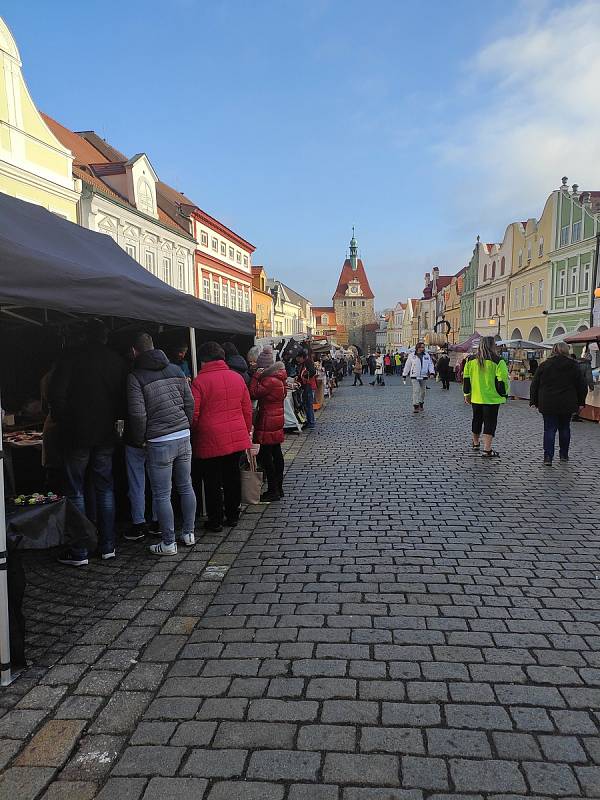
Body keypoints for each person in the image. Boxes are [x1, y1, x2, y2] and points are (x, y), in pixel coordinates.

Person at [50, 320, 127, 565]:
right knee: (104, 488)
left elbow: (56, 395)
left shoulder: (70, 357)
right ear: (105, 337)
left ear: (84, 336)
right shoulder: (116, 360)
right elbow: (123, 397)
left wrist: (63, 420)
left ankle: (80, 550)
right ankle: (107, 545)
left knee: (76, 490)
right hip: (105, 433)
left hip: (76, 433)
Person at [128, 333, 196, 555]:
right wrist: (186, 425)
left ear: (134, 351)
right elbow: (190, 402)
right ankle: (189, 533)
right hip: (182, 435)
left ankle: (168, 542)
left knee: (162, 494)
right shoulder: (177, 370)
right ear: (154, 347)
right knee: (186, 486)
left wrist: (141, 439)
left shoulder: (135, 377)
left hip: (158, 440)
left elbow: (138, 415)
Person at [192, 341, 252, 531]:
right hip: (235, 435)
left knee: (211, 480)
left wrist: (194, 431)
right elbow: (247, 409)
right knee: (232, 476)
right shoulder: (237, 378)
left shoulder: (199, 382)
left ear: (203, 360)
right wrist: (246, 429)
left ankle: (215, 520)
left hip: (209, 437)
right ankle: (233, 515)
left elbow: (194, 413)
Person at [530, 342, 588, 465]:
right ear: (566, 350)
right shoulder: (574, 365)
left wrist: (534, 400)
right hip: (567, 402)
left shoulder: (545, 365)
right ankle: (564, 455)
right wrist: (581, 401)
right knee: (564, 428)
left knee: (549, 430)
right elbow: (582, 385)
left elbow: (535, 384)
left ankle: (548, 457)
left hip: (548, 402)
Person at [462, 336, 509, 458]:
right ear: (493, 346)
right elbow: (502, 380)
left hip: (476, 397)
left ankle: (476, 443)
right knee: (490, 422)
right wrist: (504, 394)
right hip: (492, 398)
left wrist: (467, 394)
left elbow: (466, 379)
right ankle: (487, 449)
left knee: (476, 420)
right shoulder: (498, 361)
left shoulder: (470, 360)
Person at [250, 350, 287, 501]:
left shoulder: (269, 380)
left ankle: (273, 490)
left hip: (267, 420)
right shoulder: (280, 377)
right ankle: (279, 487)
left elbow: (253, 393)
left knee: (266, 456)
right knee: (276, 453)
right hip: (277, 419)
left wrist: (256, 376)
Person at [403, 342, 435, 411]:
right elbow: (407, 365)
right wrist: (404, 374)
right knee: (416, 390)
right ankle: (416, 406)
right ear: (418, 348)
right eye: (422, 347)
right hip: (414, 375)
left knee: (423, 392)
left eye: (424, 347)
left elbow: (430, 364)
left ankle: (421, 403)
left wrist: (432, 372)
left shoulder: (427, 355)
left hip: (424, 375)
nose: (423, 348)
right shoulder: (412, 355)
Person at [296, 350, 317, 428]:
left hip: (309, 385)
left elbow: (312, 372)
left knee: (308, 404)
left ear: (302, 357)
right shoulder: (304, 363)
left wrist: (305, 377)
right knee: (307, 404)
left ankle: (311, 422)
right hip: (306, 386)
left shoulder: (308, 362)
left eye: (298, 358)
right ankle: (310, 421)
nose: (297, 359)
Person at [572, 351, 594, 421]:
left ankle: (572, 414)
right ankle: (576, 415)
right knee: (581, 402)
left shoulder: (575, 363)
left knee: (574, 400)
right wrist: (591, 387)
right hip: (582, 385)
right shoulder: (587, 365)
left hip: (573, 385)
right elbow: (589, 377)